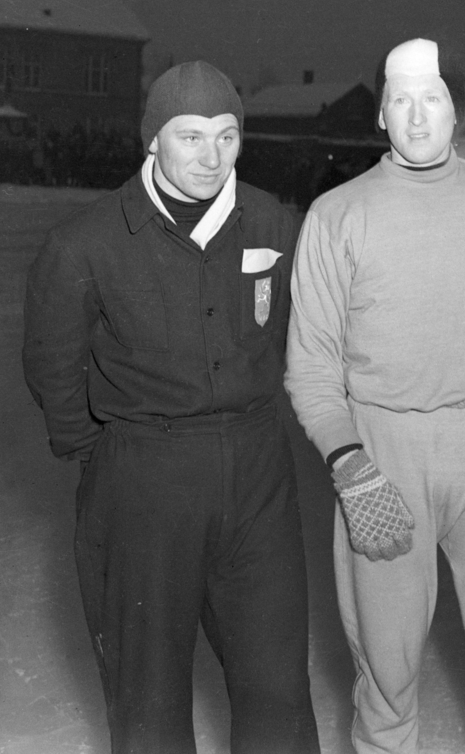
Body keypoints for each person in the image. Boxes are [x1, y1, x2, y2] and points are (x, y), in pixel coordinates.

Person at [23, 61, 319, 754]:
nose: (210, 156)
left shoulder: (274, 222)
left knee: (277, 685)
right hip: (144, 478)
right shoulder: (84, 244)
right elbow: (54, 368)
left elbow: (303, 334)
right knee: (148, 697)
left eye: (226, 136)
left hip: (257, 477)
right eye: (190, 136)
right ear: (153, 141)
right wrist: (110, 455)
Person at [284, 38, 465, 754]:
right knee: (388, 675)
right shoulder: (338, 215)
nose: (416, 115)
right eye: (400, 99)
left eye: (431, 97)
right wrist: (349, 463)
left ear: (455, 113)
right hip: (383, 456)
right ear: (380, 113)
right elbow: (310, 365)